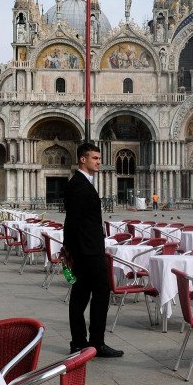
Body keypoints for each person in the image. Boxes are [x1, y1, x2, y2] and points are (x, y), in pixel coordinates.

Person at [63, 142, 123, 358]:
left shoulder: (81, 183)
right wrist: (70, 250)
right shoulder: (79, 185)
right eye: (95, 158)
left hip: (85, 250)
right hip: (88, 252)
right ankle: (96, 342)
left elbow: (73, 221)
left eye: (99, 158)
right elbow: (73, 221)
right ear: (83, 159)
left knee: (80, 296)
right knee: (100, 292)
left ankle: (79, 342)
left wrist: (68, 249)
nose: (99, 162)